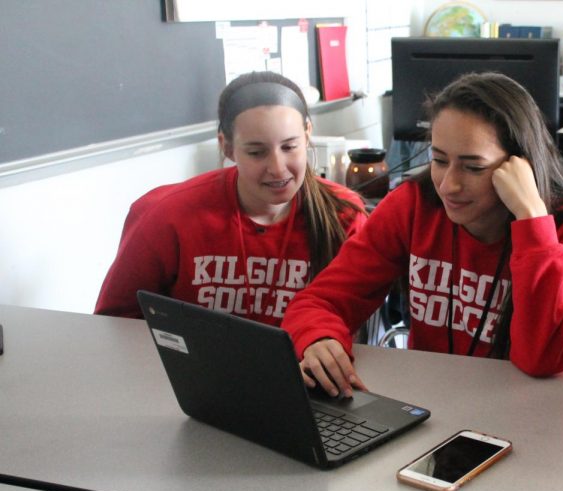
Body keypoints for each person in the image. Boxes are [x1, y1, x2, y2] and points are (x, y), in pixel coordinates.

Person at [281, 72, 563, 491]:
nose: (449, 184)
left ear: (518, 169)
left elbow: (545, 356)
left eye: (473, 166)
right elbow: (321, 300)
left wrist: (531, 220)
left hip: (540, 442)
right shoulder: (413, 207)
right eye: (438, 159)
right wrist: (317, 336)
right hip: (436, 421)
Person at [95, 71, 366, 325]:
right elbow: (116, 322)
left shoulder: (344, 215)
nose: (278, 167)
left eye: (289, 147)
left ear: (307, 134)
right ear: (227, 146)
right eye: (256, 152)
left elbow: (355, 323)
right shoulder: (165, 215)